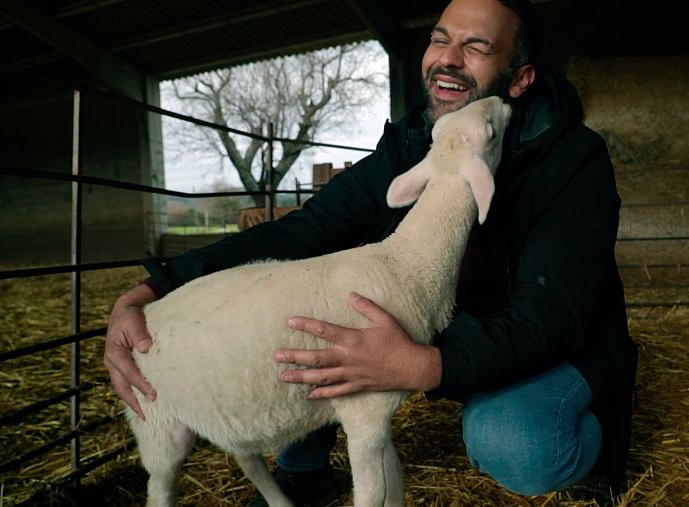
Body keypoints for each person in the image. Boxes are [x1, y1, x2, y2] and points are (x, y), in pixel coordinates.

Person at [104, 0, 638, 504]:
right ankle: (307, 466)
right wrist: (153, 287)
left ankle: (588, 453)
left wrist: (425, 365)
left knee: (516, 442)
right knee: (302, 320)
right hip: (434, 323)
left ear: (520, 78)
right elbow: (305, 230)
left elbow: (552, 315)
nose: (447, 57)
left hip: (534, 341)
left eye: (476, 46)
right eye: (440, 39)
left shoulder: (572, 163)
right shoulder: (411, 145)